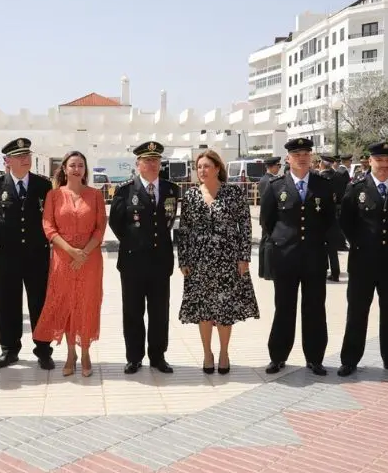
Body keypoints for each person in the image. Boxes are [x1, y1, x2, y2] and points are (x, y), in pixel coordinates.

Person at [176, 150, 259, 375]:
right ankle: (207, 353)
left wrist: (244, 257)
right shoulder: (191, 196)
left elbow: (245, 226)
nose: (202, 171)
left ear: (217, 168)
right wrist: (183, 259)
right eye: (199, 167)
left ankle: (223, 352)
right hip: (199, 262)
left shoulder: (233, 193)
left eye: (206, 166)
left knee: (224, 309)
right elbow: (183, 230)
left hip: (228, 261)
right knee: (203, 310)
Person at [259, 138, 335, 375]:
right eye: (297, 154)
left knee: (314, 308)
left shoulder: (323, 185)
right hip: (285, 257)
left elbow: (330, 220)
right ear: (288, 159)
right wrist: (283, 241)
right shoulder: (275, 186)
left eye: (306, 153)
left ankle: (315, 358)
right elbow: (267, 221)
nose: (302, 157)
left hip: (314, 256)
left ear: (311, 157)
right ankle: (278, 356)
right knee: (284, 308)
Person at [337, 141, 388, 378]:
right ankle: (349, 360)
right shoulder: (356, 188)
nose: (384, 164)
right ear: (370, 161)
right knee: (357, 312)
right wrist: (359, 244)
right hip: (363, 263)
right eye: (379, 160)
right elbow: (345, 221)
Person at [0, 137, 56, 370]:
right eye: (20, 156)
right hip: (7, 256)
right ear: (8, 161)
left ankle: (43, 349)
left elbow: (49, 218)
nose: (26, 160)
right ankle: (9, 349)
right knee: (7, 304)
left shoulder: (43, 185)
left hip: (37, 255)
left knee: (40, 303)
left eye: (28, 155)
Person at [33, 151, 107, 377]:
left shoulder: (95, 195)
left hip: (89, 259)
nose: (76, 169)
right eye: (72, 165)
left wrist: (83, 252)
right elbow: (48, 227)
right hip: (63, 259)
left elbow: (100, 227)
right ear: (64, 169)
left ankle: (85, 353)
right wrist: (70, 251)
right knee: (66, 305)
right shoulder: (54, 195)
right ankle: (70, 352)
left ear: (85, 170)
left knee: (85, 305)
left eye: (81, 165)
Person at [108, 140, 180, 374]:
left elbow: (169, 222)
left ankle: (158, 356)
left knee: (160, 312)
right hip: (133, 262)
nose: (152, 164)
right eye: (147, 160)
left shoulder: (171, 189)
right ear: (138, 164)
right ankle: (134, 357)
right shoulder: (125, 190)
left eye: (156, 160)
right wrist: (134, 243)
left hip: (160, 261)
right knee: (132, 311)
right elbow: (116, 223)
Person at [257, 156, 282, 280]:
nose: (279, 168)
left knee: (264, 243)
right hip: (270, 216)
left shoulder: (264, 179)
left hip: (265, 216)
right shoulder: (269, 180)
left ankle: (262, 271)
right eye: (278, 166)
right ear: (272, 166)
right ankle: (268, 272)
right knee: (269, 244)